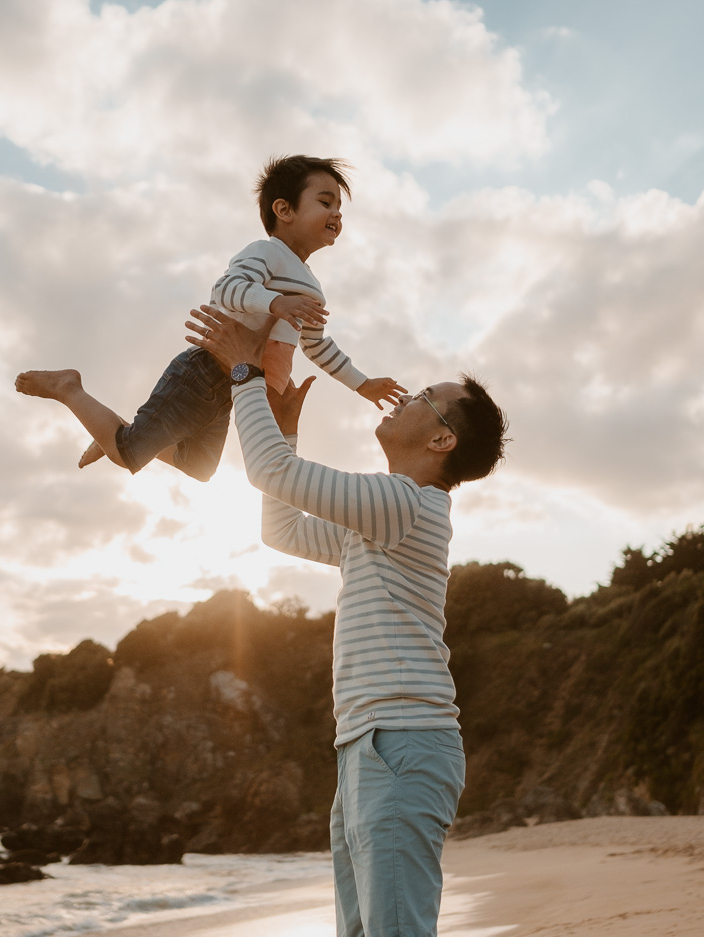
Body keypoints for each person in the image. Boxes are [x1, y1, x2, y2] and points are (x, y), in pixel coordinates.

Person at [185, 304, 508, 937]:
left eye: (424, 397)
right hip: (369, 743)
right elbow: (280, 529)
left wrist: (247, 370)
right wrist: (284, 433)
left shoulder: (405, 506)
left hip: (401, 740)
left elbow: (269, 472)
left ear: (442, 440)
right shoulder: (382, 520)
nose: (405, 396)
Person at [16, 155, 403, 482]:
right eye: (325, 201)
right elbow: (226, 289)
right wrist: (274, 304)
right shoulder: (266, 253)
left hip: (234, 387)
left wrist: (362, 384)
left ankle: (119, 430)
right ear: (284, 210)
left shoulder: (313, 289)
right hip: (203, 371)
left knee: (199, 468)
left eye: (339, 207)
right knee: (127, 454)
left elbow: (317, 344)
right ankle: (70, 389)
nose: (336, 212)